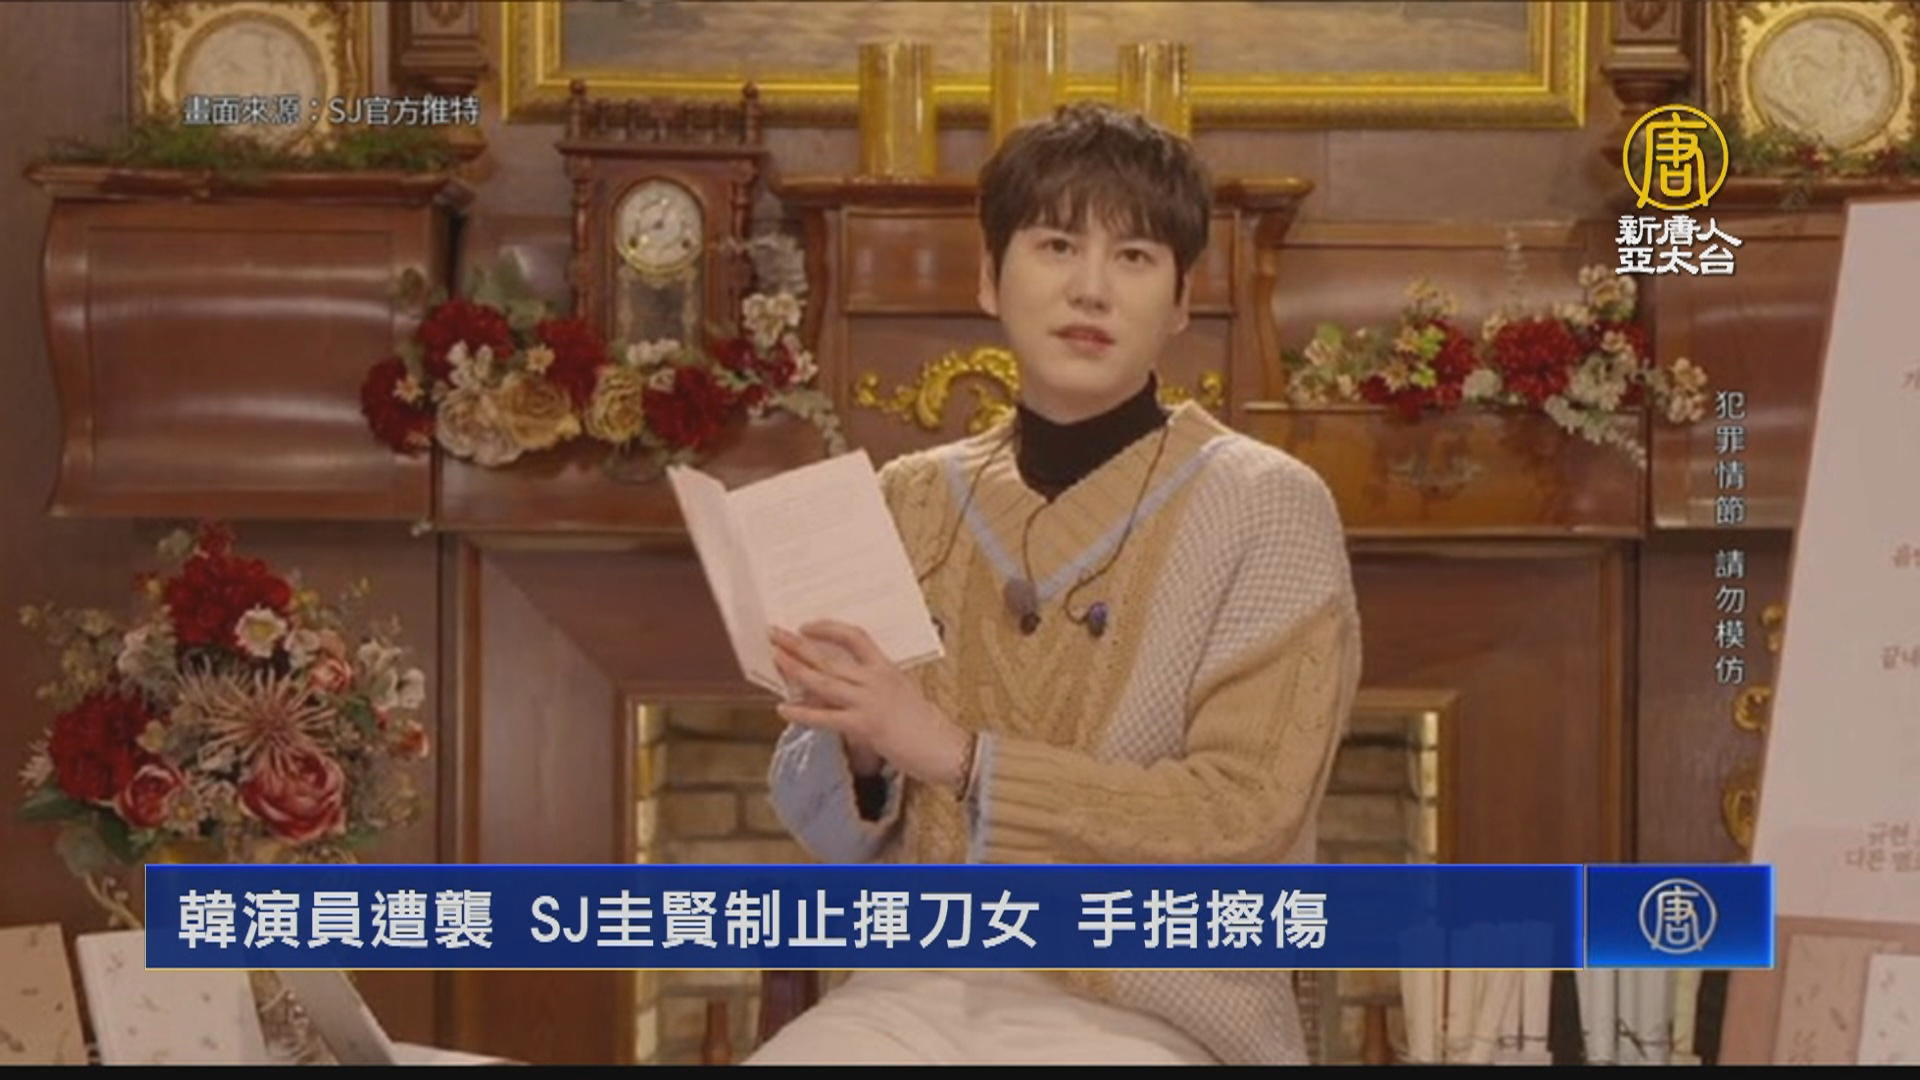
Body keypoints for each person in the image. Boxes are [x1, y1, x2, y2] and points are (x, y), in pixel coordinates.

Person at [747, 101, 1363, 1066]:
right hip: (910, 993)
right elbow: (822, 821)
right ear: (990, 277)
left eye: (1134, 256)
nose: (1091, 289)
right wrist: (862, 747)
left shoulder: (1269, 506)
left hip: (1158, 1009)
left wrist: (961, 757)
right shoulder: (910, 496)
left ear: (1182, 299)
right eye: (1056, 246)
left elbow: (1247, 812)